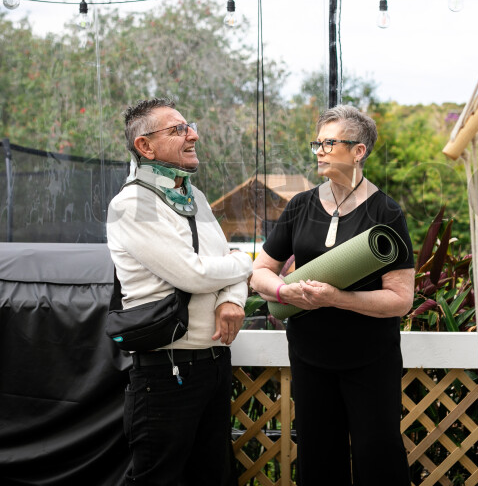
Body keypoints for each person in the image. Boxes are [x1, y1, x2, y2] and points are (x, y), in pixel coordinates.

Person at [250, 105, 415, 486]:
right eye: (317, 143)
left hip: (369, 360)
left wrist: (336, 298)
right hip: (310, 358)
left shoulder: (385, 212)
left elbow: (400, 299)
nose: (319, 151)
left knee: (379, 458)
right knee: (319, 458)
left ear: (359, 151)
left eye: (329, 143)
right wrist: (283, 290)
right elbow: (259, 272)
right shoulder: (300, 206)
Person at [106, 97, 252, 486]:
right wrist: (247, 262)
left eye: (189, 126)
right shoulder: (132, 204)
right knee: (160, 479)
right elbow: (195, 274)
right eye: (178, 130)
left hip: (214, 363)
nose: (194, 135)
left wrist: (233, 300)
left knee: (214, 476)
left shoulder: (194, 197)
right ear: (145, 146)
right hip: (165, 371)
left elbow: (223, 265)